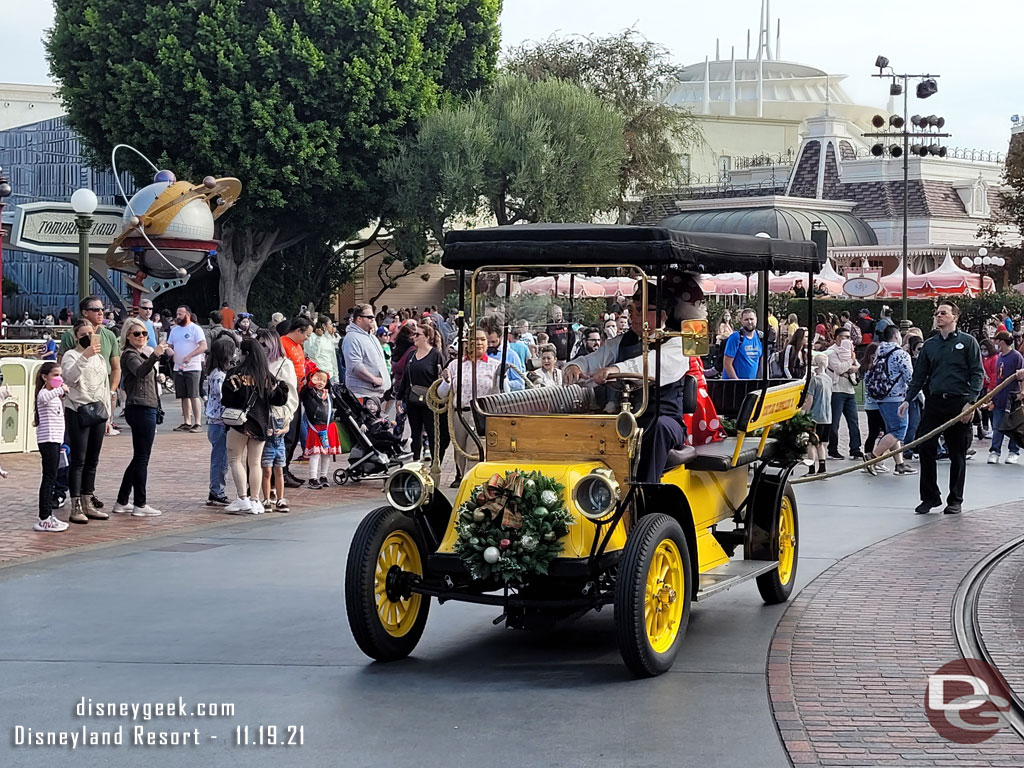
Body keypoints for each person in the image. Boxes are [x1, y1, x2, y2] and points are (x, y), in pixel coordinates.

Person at [563, 281, 687, 483]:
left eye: (641, 310)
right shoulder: (621, 342)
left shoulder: (676, 343)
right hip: (624, 418)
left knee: (660, 428)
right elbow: (595, 360)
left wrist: (617, 370)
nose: (634, 315)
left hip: (662, 417)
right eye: (631, 309)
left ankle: (647, 493)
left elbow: (654, 365)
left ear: (662, 315)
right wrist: (576, 367)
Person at [899, 301, 985, 515]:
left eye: (943, 313)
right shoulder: (930, 345)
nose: (938, 316)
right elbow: (919, 376)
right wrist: (907, 399)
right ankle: (930, 497)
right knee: (925, 447)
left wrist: (971, 402)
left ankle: (955, 499)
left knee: (957, 452)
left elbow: (977, 373)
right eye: (937, 313)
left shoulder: (968, 342)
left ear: (954, 317)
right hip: (935, 401)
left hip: (960, 402)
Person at [221, 339, 288, 514]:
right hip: (261, 422)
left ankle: (242, 498)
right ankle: (256, 500)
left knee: (235, 459)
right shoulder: (266, 376)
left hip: (240, 422)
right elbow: (278, 400)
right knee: (255, 462)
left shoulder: (234, 374)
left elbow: (226, 399)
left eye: (240, 352)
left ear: (246, 354)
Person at [112, 317, 168, 516]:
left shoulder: (140, 353)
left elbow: (146, 373)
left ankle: (122, 499)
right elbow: (140, 371)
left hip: (146, 406)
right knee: (142, 457)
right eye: (137, 334)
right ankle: (140, 504)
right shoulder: (129, 355)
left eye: (144, 333)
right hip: (141, 407)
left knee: (139, 457)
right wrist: (155, 355)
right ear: (127, 336)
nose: (141, 337)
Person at [61, 319, 111, 524]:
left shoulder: (99, 358)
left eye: (91, 332)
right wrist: (84, 356)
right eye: (83, 333)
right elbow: (69, 378)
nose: (88, 336)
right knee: (79, 459)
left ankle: (88, 499)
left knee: (93, 459)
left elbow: (104, 385)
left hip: (98, 410)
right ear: (76, 336)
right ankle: (75, 505)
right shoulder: (70, 355)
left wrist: (108, 414)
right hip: (78, 409)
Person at [438, 327, 501, 485]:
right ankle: (463, 477)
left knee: (475, 452)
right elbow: (442, 394)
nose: (478, 343)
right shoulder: (455, 365)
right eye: (474, 339)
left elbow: (502, 393)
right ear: (467, 343)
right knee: (460, 453)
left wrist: (502, 379)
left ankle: (471, 485)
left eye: (482, 339)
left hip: (481, 415)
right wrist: (445, 381)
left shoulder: (495, 366)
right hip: (460, 413)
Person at [58, 296, 121, 439]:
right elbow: (61, 368)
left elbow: (116, 367)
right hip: (78, 401)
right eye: (96, 309)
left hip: (101, 397)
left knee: (94, 453)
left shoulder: (109, 335)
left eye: (102, 309)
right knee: (78, 452)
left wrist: (111, 392)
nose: (101, 313)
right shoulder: (70, 337)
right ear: (85, 312)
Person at [863, 325, 916, 476]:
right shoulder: (900, 354)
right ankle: (873, 457)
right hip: (896, 397)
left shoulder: (879, 351)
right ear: (896, 335)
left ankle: (899, 464)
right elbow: (910, 377)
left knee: (892, 430)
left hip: (881, 396)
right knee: (899, 430)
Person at [258, 328, 299, 508]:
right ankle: (264, 495)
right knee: (262, 462)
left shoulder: (285, 365)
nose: (262, 347)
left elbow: (291, 393)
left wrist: (288, 415)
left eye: (264, 344)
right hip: (259, 416)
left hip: (278, 414)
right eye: (259, 344)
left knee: (278, 462)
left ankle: (277, 493)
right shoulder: (257, 363)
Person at [397, 324, 448, 463]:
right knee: (415, 432)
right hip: (413, 399)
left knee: (432, 432)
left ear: (427, 337)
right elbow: (405, 378)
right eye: (414, 334)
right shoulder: (411, 355)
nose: (414, 337)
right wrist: (399, 397)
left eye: (418, 334)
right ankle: (415, 460)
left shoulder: (436, 355)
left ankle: (435, 463)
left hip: (430, 401)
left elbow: (442, 380)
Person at [33, 362, 70, 532]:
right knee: (49, 477)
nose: (59, 378)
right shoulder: (44, 394)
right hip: (47, 440)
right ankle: (44, 516)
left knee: (52, 476)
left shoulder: (55, 396)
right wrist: (61, 389)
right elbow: (44, 398)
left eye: (60, 375)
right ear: (45, 377)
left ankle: (47, 515)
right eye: (55, 375)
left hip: (55, 440)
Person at [280, 316, 313, 486]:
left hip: (298, 393)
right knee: (288, 435)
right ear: (298, 330)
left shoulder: (298, 346)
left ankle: (285, 469)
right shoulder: (282, 344)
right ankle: (280, 471)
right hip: (287, 396)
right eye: (306, 334)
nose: (307, 338)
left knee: (293, 437)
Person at [204, 336, 236, 506]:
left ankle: (217, 490)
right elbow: (224, 397)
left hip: (215, 421)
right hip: (220, 422)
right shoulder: (219, 376)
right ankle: (216, 491)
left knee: (221, 457)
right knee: (220, 459)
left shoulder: (214, 373)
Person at [825, 328, 864, 460]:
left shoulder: (850, 351)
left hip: (849, 390)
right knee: (834, 422)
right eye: (842, 337)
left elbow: (857, 366)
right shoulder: (832, 351)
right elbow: (838, 368)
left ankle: (855, 448)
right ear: (836, 337)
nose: (845, 339)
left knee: (853, 421)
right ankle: (833, 449)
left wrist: (850, 364)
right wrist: (850, 362)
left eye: (847, 337)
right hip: (837, 390)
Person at [167, 305, 207, 432]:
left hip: (193, 367)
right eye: (177, 314)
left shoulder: (195, 329)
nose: (177, 317)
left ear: (187, 315)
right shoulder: (174, 330)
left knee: (194, 394)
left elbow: (203, 346)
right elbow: (169, 345)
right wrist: (170, 352)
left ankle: (198, 423)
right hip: (178, 367)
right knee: (183, 395)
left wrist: (190, 355)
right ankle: (186, 421)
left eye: (180, 314)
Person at [301, 367, 342, 488]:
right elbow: (304, 392)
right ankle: (312, 477)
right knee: (315, 453)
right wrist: (309, 384)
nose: (320, 382)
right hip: (315, 427)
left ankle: (323, 476)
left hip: (328, 426)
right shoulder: (309, 393)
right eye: (317, 379)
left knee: (326, 453)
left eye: (323, 380)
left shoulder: (329, 394)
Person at [988, 331, 1024, 464]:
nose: (995, 343)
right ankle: (995, 451)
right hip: (1000, 396)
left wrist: (1022, 392)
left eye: (997, 341)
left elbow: (1022, 375)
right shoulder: (999, 357)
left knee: (1013, 425)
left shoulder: (1016, 357)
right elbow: (997, 377)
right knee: (997, 426)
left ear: (1001, 342)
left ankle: (1013, 451)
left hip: (1013, 397)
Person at [342, 303, 390, 403]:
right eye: (369, 317)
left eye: (373, 317)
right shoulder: (352, 338)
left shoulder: (371, 337)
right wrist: (374, 380)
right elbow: (355, 366)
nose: (373, 319)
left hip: (375, 394)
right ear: (359, 319)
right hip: (363, 394)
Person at [802, 354, 832, 475]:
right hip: (827, 416)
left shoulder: (815, 380)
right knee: (821, 444)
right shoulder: (829, 380)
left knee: (811, 443)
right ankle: (822, 466)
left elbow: (810, 399)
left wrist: (806, 414)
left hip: (815, 417)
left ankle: (811, 468)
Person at [722, 308, 762, 380]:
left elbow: (761, 363)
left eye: (751, 319)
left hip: (751, 384)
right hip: (733, 384)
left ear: (756, 319)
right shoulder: (736, 337)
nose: (749, 322)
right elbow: (727, 363)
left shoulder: (760, 337)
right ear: (741, 321)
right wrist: (737, 382)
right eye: (746, 320)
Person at [305, 316, 340, 382]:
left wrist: (336, 376)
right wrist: (318, 338)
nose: (332, 326)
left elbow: (333, 359)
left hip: (330, 374)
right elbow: (314, 354)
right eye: (330, 324)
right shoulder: (312, 337)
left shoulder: (329, 339)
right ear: (324, 325)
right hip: (317, 373)